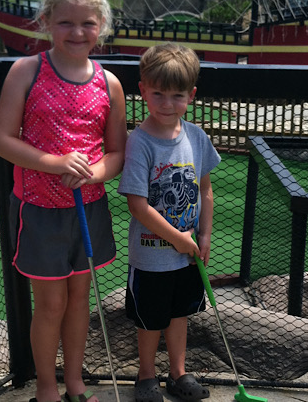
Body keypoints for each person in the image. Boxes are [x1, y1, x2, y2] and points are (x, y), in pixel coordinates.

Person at [0, 0, 127, 402]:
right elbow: (2, 139)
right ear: (47, 21)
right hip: (39, 208)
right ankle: (46, 387)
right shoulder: (26, 71)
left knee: (79, 302)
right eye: (66, 23)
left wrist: (96, 173)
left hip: (87, 206)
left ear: (101, 25)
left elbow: (116, 153)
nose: (78, 32)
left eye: (88, 23)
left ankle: (74, 381)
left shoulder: (109, 84)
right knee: (50, 305)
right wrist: (54, 163)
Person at [117, 43, 221, 402]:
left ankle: (178, 372)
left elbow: (205, 190)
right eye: (157, 93)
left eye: (177, 96)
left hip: (188, 255)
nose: (166, 103)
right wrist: (177, 237)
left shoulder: (196, 137)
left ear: (191, 95)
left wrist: (204, 234)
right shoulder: (140, 143)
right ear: (143, 89)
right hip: (151, 256)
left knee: (180, 315)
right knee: (150, 320)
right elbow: (137, 205)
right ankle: (146, 375)